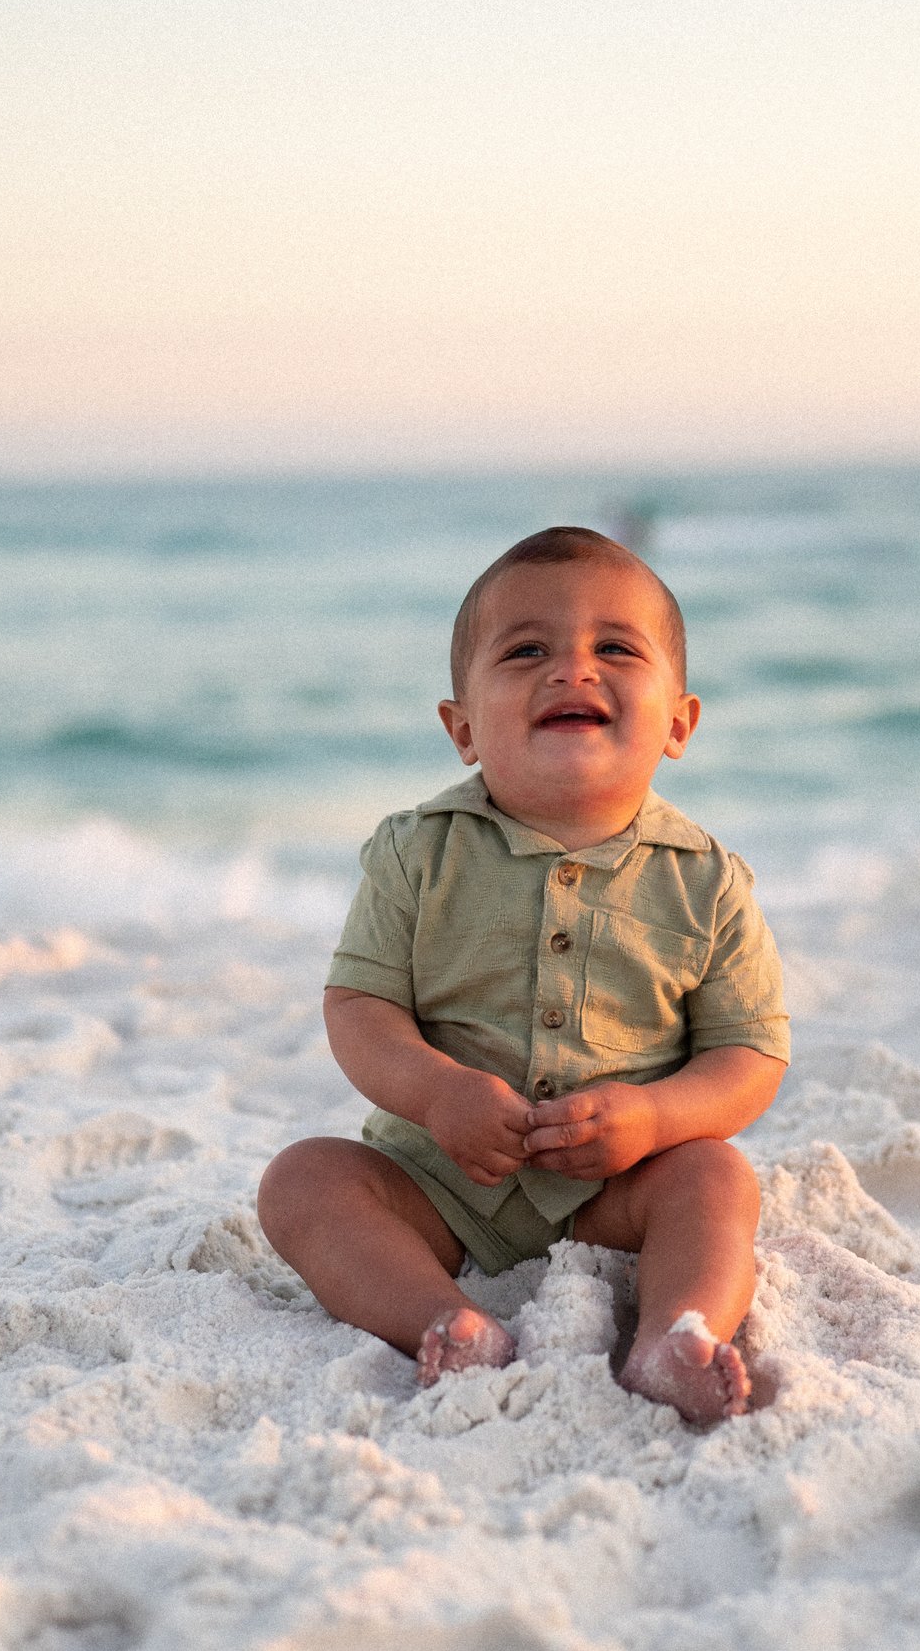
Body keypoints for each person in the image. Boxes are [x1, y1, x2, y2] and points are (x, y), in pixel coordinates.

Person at [257, 527, 789, 1423]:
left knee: (719, 1178)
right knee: (301, 1181)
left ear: (679, 723)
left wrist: (655, 1116)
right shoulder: (416, 853)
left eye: (614, 648)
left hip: (619, 1190)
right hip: (438, 1184)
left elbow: (748, 1055)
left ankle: (672, 1333)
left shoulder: (707, 882)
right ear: (462, 728)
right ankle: (446, 1318)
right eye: (527, 650)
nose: (572, 670)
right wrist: (437, 1094)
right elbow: (360, 1005)